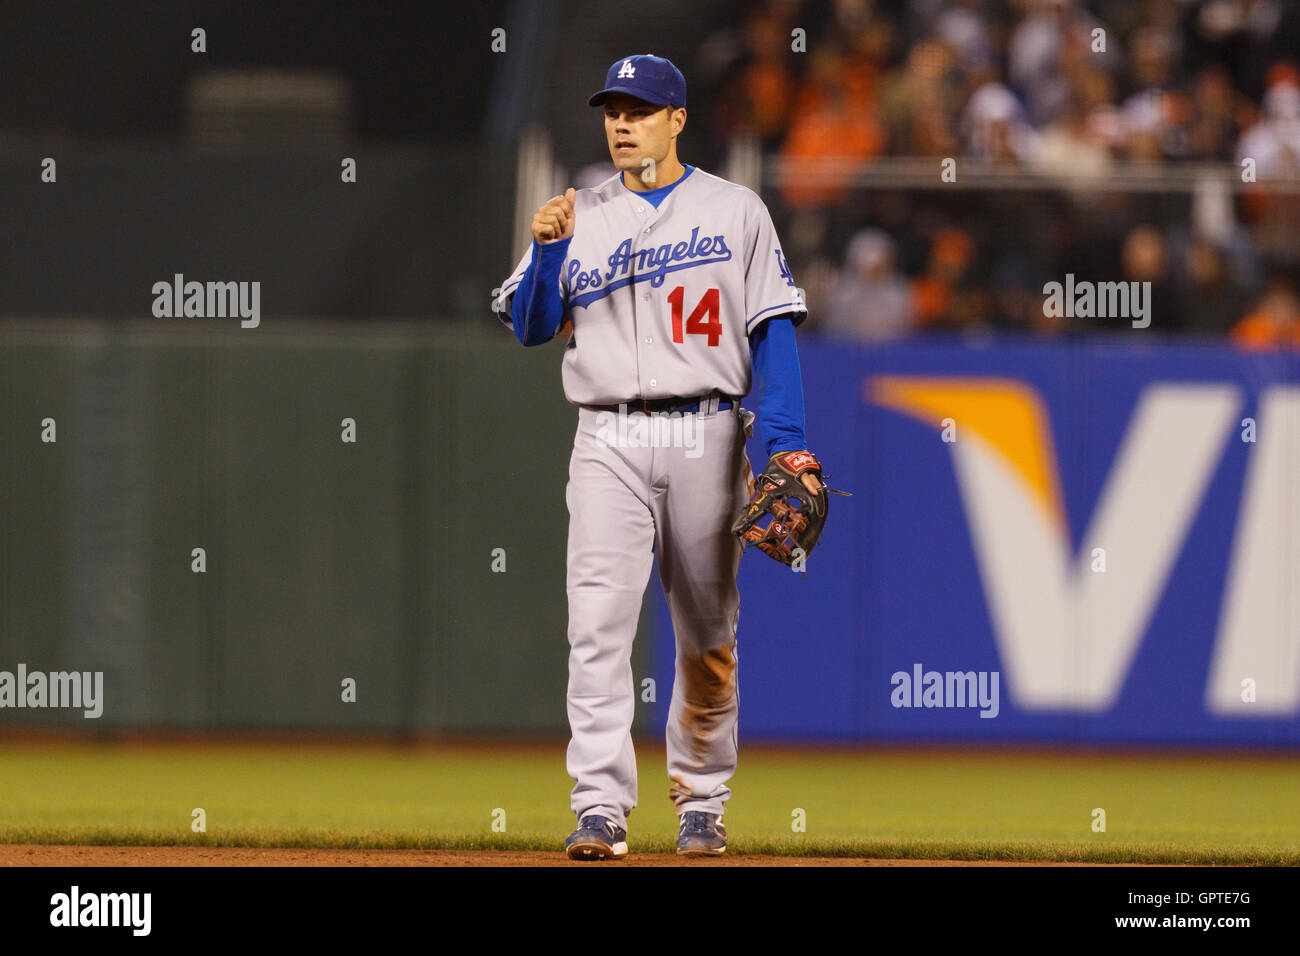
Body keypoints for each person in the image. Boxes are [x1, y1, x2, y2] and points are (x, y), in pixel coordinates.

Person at [492, 54, 821, 859]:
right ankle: (600, 807)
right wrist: (544, 254)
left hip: (705, 433)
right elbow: (531, 326)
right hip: (605, 435)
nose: (621, 123)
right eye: (612, 110)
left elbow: (772, 334)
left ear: (676, 120)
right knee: (597, 627)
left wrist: (785, 446)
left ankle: (702, 801)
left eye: (639, 110)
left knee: (708, 633)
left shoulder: (737, 210)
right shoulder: (577, 213)